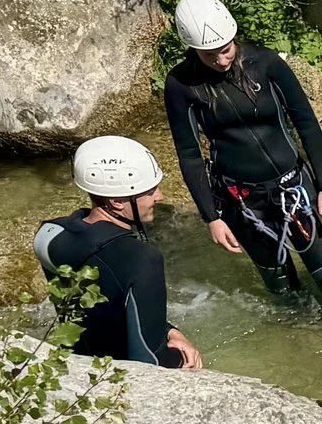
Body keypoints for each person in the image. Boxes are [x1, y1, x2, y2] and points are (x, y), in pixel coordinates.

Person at [160, 0, 322, 307]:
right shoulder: (181, 85)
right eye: (209, 55)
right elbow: (189, 154)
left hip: (294, 189)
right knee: (286, 299)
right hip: (242, 201)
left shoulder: (265, 63)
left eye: (225, 50)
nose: (221, 61)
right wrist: (212, 217)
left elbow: (306, 124)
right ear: (192, 48)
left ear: (233, 37)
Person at [32, 137, 204, 368]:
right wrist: (183, 355)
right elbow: (149, 358)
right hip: (116, 374)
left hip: (77, 361)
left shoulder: (50, 234)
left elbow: (105, 305)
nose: (160, 196)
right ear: (116, 201)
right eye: (149, 191)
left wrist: (169, 330)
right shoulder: (142, 259)